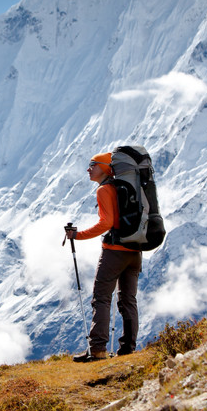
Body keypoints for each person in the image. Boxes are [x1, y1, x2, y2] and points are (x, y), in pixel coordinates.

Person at [65, 152, 141, 361]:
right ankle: (128, 350)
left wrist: (78, 236)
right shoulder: (126, 188)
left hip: (114, 252)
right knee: (128, 300)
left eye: (93, 165)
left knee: (101, 298)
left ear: (106, 168)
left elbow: (106, 223)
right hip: (135, 250)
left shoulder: (104, 190)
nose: (88, 169)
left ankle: (97, 349)